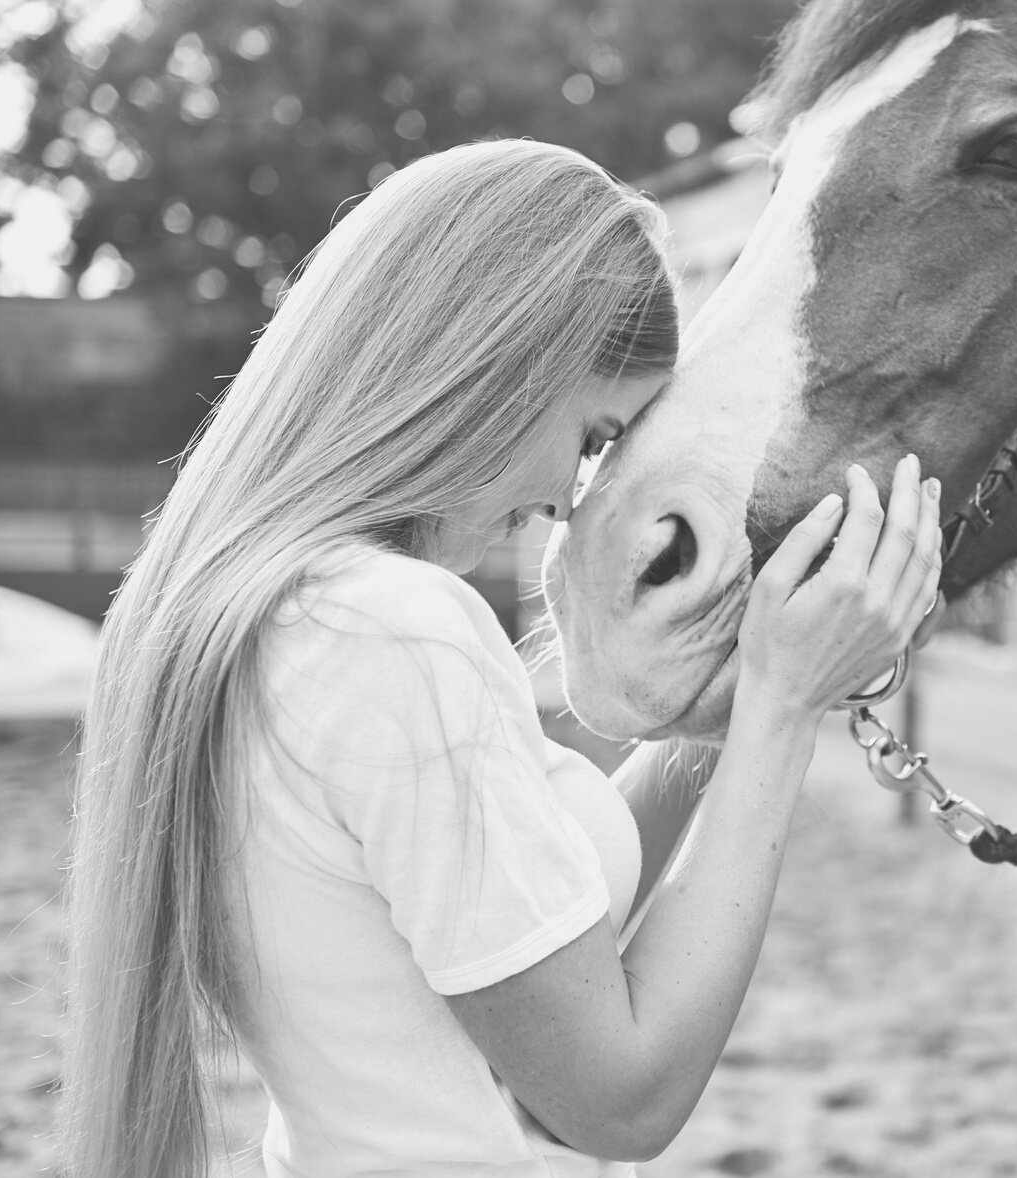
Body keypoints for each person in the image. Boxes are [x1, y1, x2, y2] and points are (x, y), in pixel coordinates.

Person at [59, 139, 942, 1178]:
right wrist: (784, 713)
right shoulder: (390, 633)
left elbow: (540, 941)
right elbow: (620, 1098)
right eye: (590, 434)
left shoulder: (273, 615)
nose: (572, 496)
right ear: (502, 369)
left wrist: (746, 679)